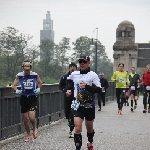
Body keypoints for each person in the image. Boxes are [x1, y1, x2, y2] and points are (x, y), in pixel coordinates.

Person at [66, 55, 101, 150]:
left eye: (84, 62)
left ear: (88, 63)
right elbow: (68, 81)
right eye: (80, 62)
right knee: (77, 128)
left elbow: (99, 89)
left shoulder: (93, 75)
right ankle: (78, 148)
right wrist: (68, 90)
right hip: (78, 105)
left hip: (89, 105)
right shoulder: (74, 74)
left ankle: (90, 141)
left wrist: (87, 87)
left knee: (89, 128)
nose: (82, 64)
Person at [12, 60, 42, 142]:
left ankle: (34, 128)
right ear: (23, 67)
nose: (27, 68)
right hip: (24, 98)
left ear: (30, 67)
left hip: (32, 97)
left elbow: (40, 83)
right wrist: (16, 91)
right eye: (25, 66)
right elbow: (14, 85)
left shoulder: (35, 75)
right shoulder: (19, 75)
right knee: (25, 119)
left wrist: (38, 88)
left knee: (32, 117)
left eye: (28, 66)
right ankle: (28, 134)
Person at [59, 62, 77, 138]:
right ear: (69, 68)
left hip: (75, 98)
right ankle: (70, 122)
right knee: (67, 114)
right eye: (71, 67)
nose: (72, 68)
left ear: (76, 68)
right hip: (67, 98)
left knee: (72, 114)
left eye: (74, 67)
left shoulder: (78, 76)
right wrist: (65, 91)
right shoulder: (65, 77)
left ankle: (71, 131)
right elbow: (60, 86)